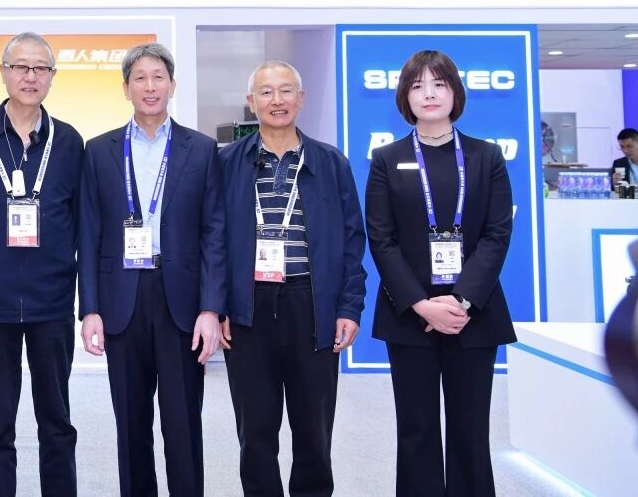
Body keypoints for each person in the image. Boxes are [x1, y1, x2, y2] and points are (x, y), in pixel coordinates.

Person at [365, 49, 516, 497]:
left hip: (474, 314)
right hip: (409, 315)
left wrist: (460, 300)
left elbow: (496, 234)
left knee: (471, 431)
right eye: (417, 86)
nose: (429, 94)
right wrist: (421, 304)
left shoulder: (486, 156)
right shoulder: (386, 159)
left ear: (455, 92)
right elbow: (382, 239)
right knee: (416, 429)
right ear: (405, 96)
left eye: (439, 84)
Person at [78, 42, 226, 497]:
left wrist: (211, 309)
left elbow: (214, 233)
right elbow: (89, 233)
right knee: (131, 427)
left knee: (183, 426)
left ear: (172, 85)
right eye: (139, 78)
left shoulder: (201, 150)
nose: (149, 86)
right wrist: (90, 309)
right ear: (126, 88)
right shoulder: (99, 151)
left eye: (158, 77)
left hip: (181, 301)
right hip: (122, 300)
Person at [217, 61, 367, 497]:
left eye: (286, 91)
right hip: (247, 307)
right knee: (255, 431)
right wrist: (217, 305)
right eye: (266, 92)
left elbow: (352, 242)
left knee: (314, 431)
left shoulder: (331, 163)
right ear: (251, 102)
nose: (277, 100)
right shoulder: (226, 162)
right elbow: (212, 241)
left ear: (301, 99)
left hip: (312, 305)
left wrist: (348, 307)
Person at [0, 32, 84, 496]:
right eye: (20, 67)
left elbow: (78, 220)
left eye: (40, 68)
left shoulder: (69, 141)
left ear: (51, 76)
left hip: (51, 304)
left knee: (57, 422)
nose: (30, 76)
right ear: (4, 72)